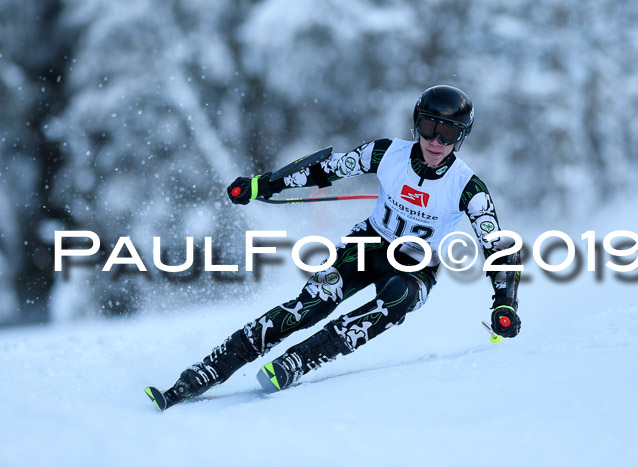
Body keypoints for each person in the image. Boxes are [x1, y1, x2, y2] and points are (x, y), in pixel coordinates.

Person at [146, 85, 521, 410]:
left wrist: (504, 301)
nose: (436, 142)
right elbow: (325, 169)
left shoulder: (468, 186)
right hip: (367, 244)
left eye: (448, 133)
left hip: (416, 266)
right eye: (429, 127)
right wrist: (262, 185)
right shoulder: (386, 153)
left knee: (397, 298)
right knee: (310, 305)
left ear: (462, 137)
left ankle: (302, 359)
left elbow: (497, 246)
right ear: (416, 123)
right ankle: (214, 365)